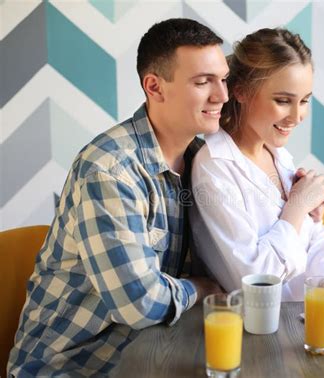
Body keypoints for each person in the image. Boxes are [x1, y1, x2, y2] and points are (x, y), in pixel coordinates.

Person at [8, 18, 228, 376]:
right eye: (203, 82)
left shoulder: (204, 161)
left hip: (155, 359)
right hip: (76, 369)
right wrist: (199, 289)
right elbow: (139, 304)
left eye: (223, 78)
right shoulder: (109, 170)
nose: (222, 95)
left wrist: (295, 199)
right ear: (155, 87)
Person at [190, 28, 324, 332]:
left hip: (310, 323)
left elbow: (319, 241)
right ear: (241, 91)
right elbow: (256, 280)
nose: (297, 116)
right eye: (283, 100)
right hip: (263, 333)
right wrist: (297, 207)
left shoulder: (279, 157)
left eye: (304, 100)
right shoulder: (214, 169)